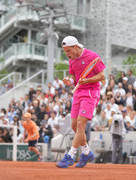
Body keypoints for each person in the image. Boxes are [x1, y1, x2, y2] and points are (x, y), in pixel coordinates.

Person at [57, 36, 105, 168]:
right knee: (74, 126)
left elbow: (102, 76)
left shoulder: (92, 56)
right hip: (78, 92)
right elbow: (73, 76)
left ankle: (70, 156)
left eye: (68, 50)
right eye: (65, 51)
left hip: (90, 92)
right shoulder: (71, 60)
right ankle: (86, 152)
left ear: (76, 47)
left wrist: (88, 80)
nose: (67, 54)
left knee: (80, 124)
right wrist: (70, 81)